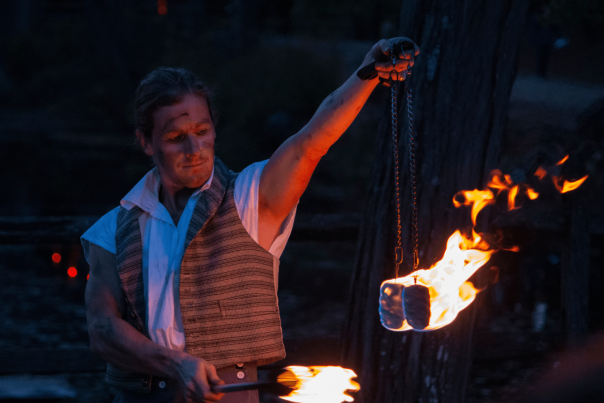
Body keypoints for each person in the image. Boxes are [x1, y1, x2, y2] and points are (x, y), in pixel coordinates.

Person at [82, 37, 419, 403]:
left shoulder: (251, 198)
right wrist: (175, 364)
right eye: (177, 138)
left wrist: (367, 72)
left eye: (202, 132)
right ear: (146, 143)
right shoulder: (112, 230)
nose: (195, 150)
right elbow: (102, 329)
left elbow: (311, 141)